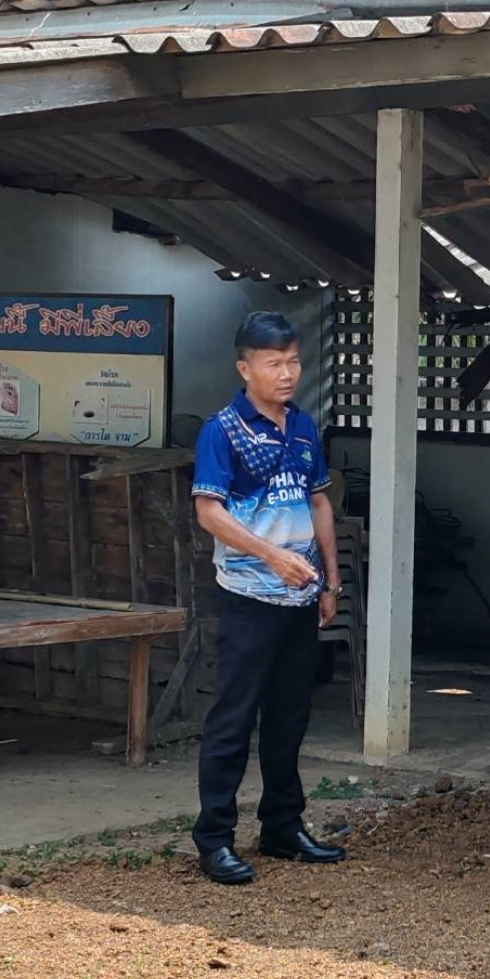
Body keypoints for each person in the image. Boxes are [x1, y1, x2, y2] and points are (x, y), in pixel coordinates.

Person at [188, 311, 346, 885]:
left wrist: (331, 580)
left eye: (294, 361)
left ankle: (282, 826)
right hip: (247, 597)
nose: (287, 373)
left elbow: (319, 502)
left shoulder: (302, 426)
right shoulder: (222, 430)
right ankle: (214, 839)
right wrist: (271, 556)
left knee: (289, 717)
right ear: (244, 368)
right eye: (274, 363)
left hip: (300, 599)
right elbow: (209, 512)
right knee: (234, 718)